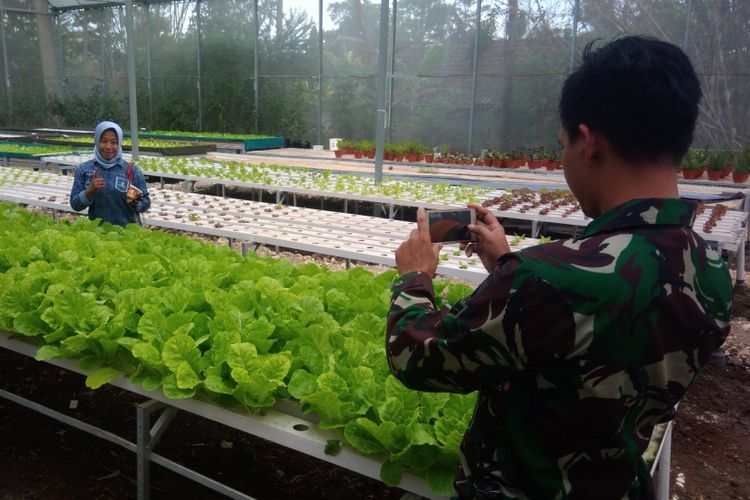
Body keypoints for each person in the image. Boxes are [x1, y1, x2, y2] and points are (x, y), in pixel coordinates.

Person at [386, 35, 732, 499]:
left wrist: (415, 278)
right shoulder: (711, 269)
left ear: (588, 143)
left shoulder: (545, 280)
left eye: (563, 144)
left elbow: (415, 358)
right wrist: (507, 266)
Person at [70, 121, 150, 226]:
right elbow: (75, 205)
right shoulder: (84, 169)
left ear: (119, 143)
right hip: (97, 237)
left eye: (114, 142)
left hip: (127, 236)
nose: (108, 147)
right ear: (97, 141)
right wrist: (89, 191)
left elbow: (146, 202)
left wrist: (136, 203)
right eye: (104, 141)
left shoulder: (132, 171)